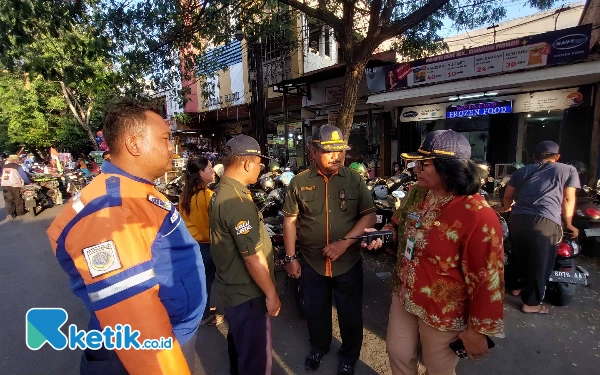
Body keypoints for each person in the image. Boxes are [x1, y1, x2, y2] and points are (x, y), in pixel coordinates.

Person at [46, 98, 207, 375]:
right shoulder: (112, 211)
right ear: (134, 144)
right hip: (140, 356)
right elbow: (136, 318)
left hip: (172, 333)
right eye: (165, 138)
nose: (172, 147)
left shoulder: (134, 191)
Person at [364, 130, 504, 375]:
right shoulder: (417, 193)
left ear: (447, 167)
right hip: (404, 293)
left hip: (443, 310)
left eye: (423, 164)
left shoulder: (477, 214)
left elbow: (488, 277)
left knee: (438, 368)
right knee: (397, 353)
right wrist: (383, 233)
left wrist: (477, 331)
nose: (415, 168)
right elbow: (397, 223)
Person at [282, 125, 377, 375]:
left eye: (340, 152)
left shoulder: (354, 179)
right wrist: (291, 257)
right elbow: (290, 221)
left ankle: (349, 356)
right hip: (312, 262)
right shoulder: (299, 182)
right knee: (316, 312)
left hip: (348, 262)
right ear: (314, 151)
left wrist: (344, 243)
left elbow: (370, 217)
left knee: (349, 314)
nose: (336, 157)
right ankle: (319, 348)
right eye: (329, 151)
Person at [209, 134, 279, 375]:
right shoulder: (237, 200)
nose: (261, 168)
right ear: (248, 163)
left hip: (233, 289)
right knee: (256, 361)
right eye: (260, 162)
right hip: (247, 294)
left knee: (240, 350)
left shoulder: (223, 190)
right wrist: (271, 294)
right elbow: (251, 257)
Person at [498, 140, 579, 314]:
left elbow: (508, 195)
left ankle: (515, 287)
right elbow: (567, 199)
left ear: (534, 156)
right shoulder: (568, 170)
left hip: (518, 219)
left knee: (518, 255)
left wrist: (506, 208)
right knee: (540, 262)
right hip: (546, 221)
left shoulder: (522, 171)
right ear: (557, 157)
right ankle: (531, 304)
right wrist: (570, 223)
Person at [180, 156, 224, 326]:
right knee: (205, 282)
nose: (213, 171)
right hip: (205, 245)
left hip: (193, 244)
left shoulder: (186, 193)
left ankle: (202, 310)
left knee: (201, 281)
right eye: (210, 168)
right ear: (200, 172)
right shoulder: (206, 196)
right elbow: (210, 226)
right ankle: (204, 316)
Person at [1, 154, 31, 219]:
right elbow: (24, 176)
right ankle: (19, 212)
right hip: (15, 184)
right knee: (17, 199)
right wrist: (29, 182)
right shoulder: (18, 167)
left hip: (5, 184)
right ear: (16, 160)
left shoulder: (4, 166)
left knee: (8, 200)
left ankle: (10, 214)